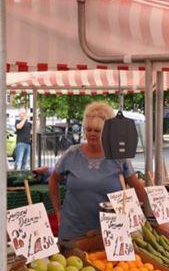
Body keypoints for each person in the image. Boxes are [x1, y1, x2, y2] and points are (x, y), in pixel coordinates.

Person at [49, 102, 145, 241]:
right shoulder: (72, 153)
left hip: (109, 232)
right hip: (73, 228)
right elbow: (53, 180)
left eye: (97, 130)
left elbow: (137, 186)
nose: (92, 134)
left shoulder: (118, 157)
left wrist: (138, 213)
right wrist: (57, 211)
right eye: (89, 129)